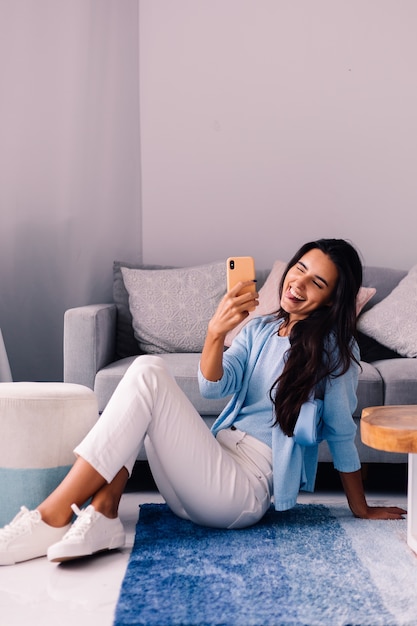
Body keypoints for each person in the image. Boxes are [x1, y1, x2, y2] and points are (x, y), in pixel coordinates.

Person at [0, 238, 406, 566]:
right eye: (299, 268)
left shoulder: (335, 352)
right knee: (139, 395)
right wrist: (214, 333)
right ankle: (105, 512)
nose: (298, 284)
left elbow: (339, 430)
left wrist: (361, 507)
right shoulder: (260, 328)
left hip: (242, 491)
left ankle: (50, 517)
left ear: (332, 300)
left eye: (317, 283)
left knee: (146, 372)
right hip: (203, 476)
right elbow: (215, 387)